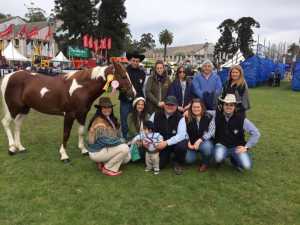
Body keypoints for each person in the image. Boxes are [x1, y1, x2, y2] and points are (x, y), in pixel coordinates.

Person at [213, 94, 261, 171]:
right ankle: (221, 160)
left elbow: (256, 133)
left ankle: (234, 160)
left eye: (231, 105)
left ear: (235, 106)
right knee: (218, 157)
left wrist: (246, 147)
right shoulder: (216, 115)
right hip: (222, 145)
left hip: (236, 147)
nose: (228, 107)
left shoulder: (242, 119)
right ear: (223, 105)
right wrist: (188, 112)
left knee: (247, 165)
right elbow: (202, 112)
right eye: (226, 104)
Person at [87, 97, 130, 176]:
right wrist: (122, 141)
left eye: (109, 107)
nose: (107, 109)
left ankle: (102, 162)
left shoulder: (109, 118)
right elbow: (106, 140)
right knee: (125, 148)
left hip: (105, 148)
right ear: (100, 109)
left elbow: (115, 135)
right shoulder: (99, 121)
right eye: (104, 107)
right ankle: (108, 168)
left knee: (127, 158)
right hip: (97, 151)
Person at [149, 96, 187, 175]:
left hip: (173, 144)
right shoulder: (156, 114)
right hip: (159, 143)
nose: (169, 106)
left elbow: (181, 135)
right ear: (164, 105)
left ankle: (178, 162)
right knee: (159, 165)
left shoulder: (180, 117)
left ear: (176, 106)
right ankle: (168, 157)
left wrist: (166, 143)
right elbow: (148, 129)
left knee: (182, 145)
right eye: (168, 104)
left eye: (172, 105)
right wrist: (154, 142)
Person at [181, 98, 215, 172]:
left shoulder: (208, 116)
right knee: (188, 160)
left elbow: (211, 132)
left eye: (198, 107)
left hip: (204, 141)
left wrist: (200, 140)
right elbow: (183, 131)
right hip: (191, 143)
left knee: (207, 147)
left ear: (202, 107)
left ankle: (205, 163)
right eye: (194, 107)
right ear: (191, 108)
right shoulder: (187, 117)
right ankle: (196, 154)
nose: (196, 109)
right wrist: (188, 142)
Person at [119, 51, 146, 139]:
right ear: (130, 60)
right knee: (125, 119)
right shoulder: (124, 71)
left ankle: (135, 137)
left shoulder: (142, 73)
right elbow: (120, 85)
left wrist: (142, 100)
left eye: (137, 61)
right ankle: (125, 137)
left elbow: (140, 88)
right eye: (133, 60)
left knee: (136, 119)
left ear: (139, 62)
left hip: (137, 101)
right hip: (125, 100)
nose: (135, 62)